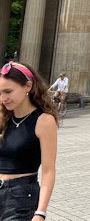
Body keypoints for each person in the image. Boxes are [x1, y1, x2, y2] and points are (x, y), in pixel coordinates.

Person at [0, 61, 59, 221]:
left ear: (28, 86)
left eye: (8, 91)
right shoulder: (3, 118)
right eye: (0, 93)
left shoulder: (44, 121)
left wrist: (41, 212)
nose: (3, 98)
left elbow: (48, 171)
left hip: (21, 197)